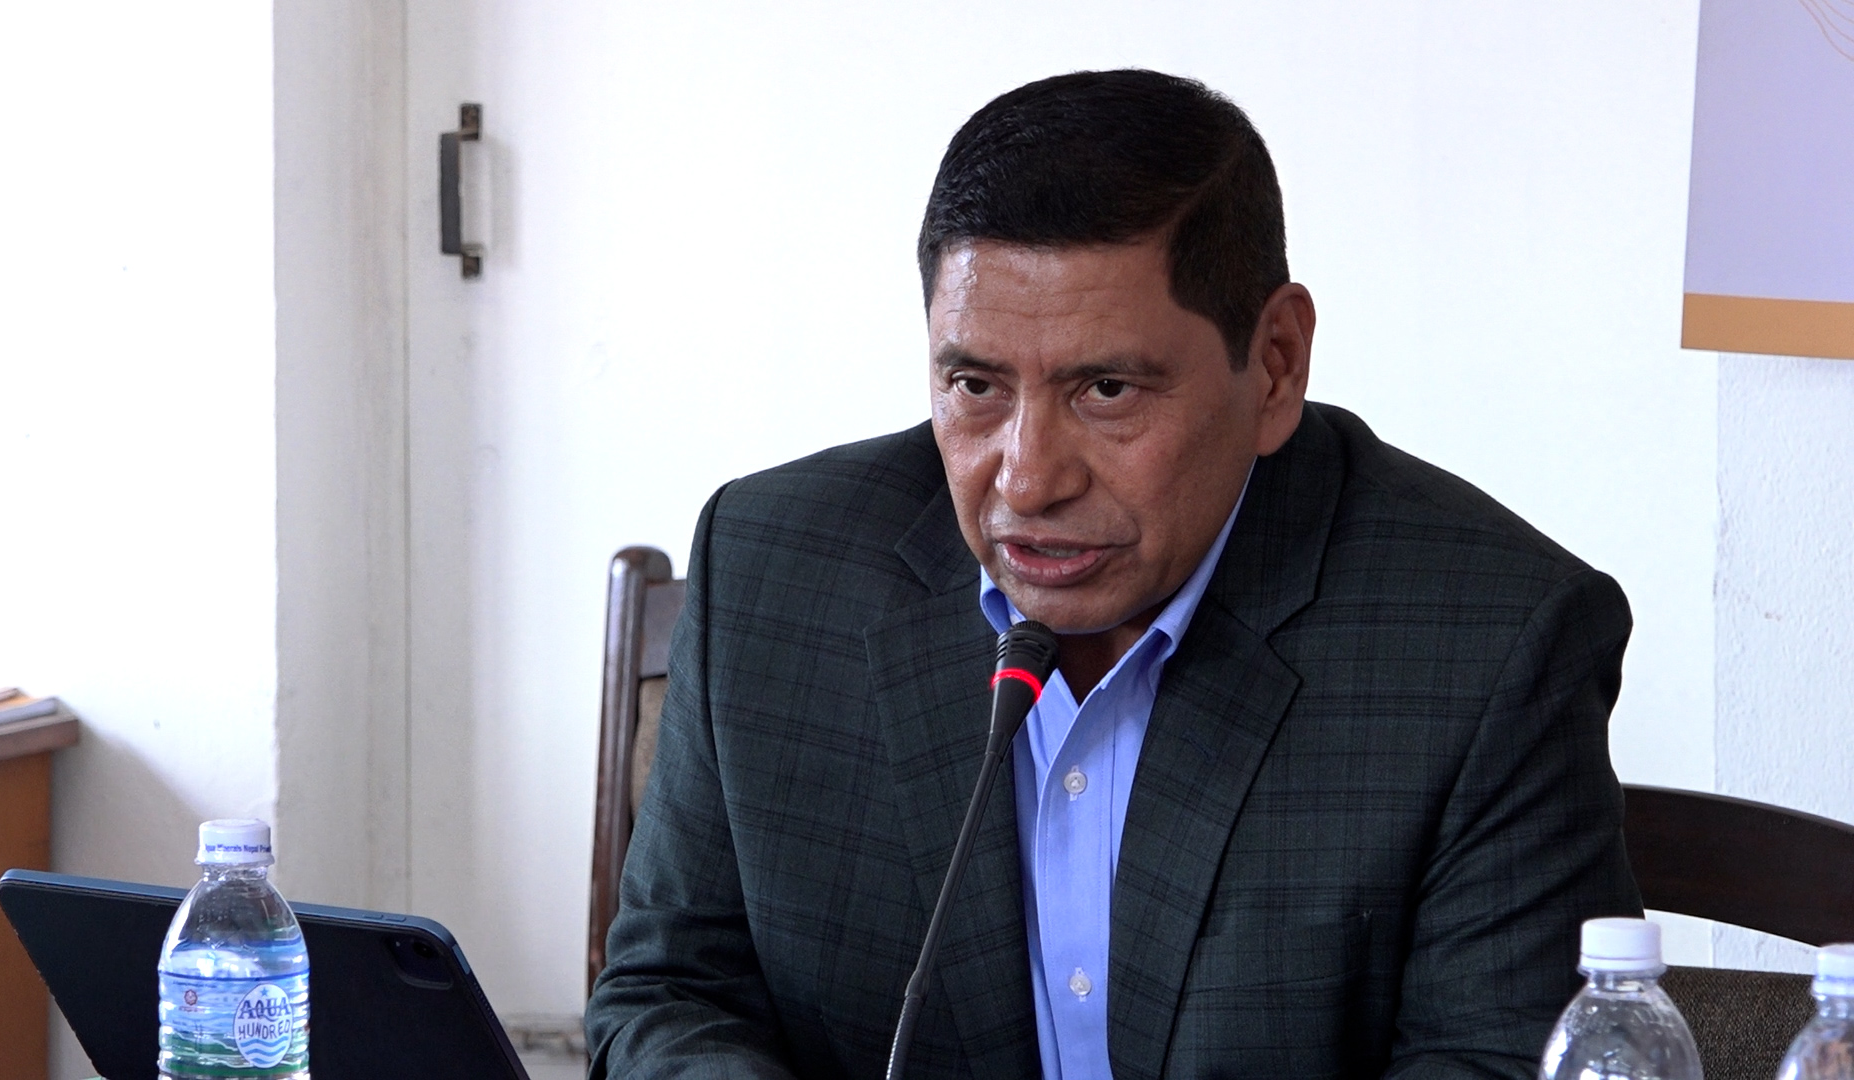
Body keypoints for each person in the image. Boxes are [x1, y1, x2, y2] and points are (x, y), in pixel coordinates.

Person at [585, 69, 1642, 1079]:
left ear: (1275, 364)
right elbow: (671, 994)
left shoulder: (1493, 641)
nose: (1028, 478)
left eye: (1106, 390)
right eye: (975, 385)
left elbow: (1499, 1059)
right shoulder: (770, 571)